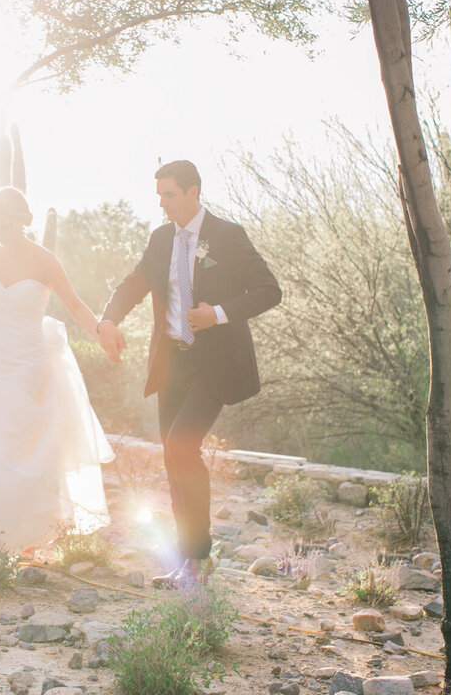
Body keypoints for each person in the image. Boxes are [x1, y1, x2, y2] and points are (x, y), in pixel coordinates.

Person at [97, 160, 280, 588]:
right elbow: (134, 283)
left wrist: (216, 314)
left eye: (170, 195)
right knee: (173, 458)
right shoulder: (161, 239)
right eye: (159, 195)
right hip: (171, 365)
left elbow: (270, 290)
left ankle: (198, 557)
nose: (163, 204)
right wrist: (109, 319)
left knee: (181, 446)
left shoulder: (228, 236)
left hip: (213, 366)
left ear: (193, 192)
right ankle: (188, 562)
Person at [0, 186, 115, 553]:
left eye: (8, 224)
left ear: (24, 220)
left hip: (29, 359)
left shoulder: (46, 260)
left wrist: (101, 335)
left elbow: (75, 304)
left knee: (23, 442)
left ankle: (27, 535)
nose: (2, 232)